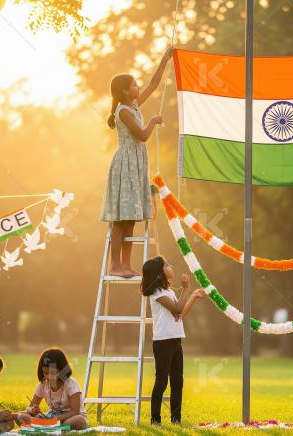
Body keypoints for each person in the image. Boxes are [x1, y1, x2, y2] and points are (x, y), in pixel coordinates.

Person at [101, 46, 173, 278]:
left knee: (131, 216)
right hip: (125, 165)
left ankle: (125, 264)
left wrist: (165, 58)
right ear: (124, 91)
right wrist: (152, 121)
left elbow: (153, 83)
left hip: (137, 165)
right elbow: (142, 135)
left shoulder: (132, 105)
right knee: (120, 218)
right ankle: (115, 264)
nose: (138, 87)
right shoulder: (123, 111)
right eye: (133, 85)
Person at [141, 255, 205, 425]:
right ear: (159, 274)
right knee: (162, 381)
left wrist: (192, 295)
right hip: (162, 342)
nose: (171, 267)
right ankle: (155, 420)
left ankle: (176, 420)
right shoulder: (156, 293)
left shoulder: (169, 292)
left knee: (178, 381)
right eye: (167, 265)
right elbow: (176, 307)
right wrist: (185, 289)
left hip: (176, 340)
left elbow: (180, 314)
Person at [21, 347, 87, 430]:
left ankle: (51, 428)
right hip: (51, 418)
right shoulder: (42, 385)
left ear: (63, 369)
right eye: (46, 373)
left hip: (70, 418)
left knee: (78, 420)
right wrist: (32, 410)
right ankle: (53, 428)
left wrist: (54, 420)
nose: (49, 377)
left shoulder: (71, 384)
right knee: (22, 416)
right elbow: (29, 408)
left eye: (53, 373)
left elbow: (75, 411)